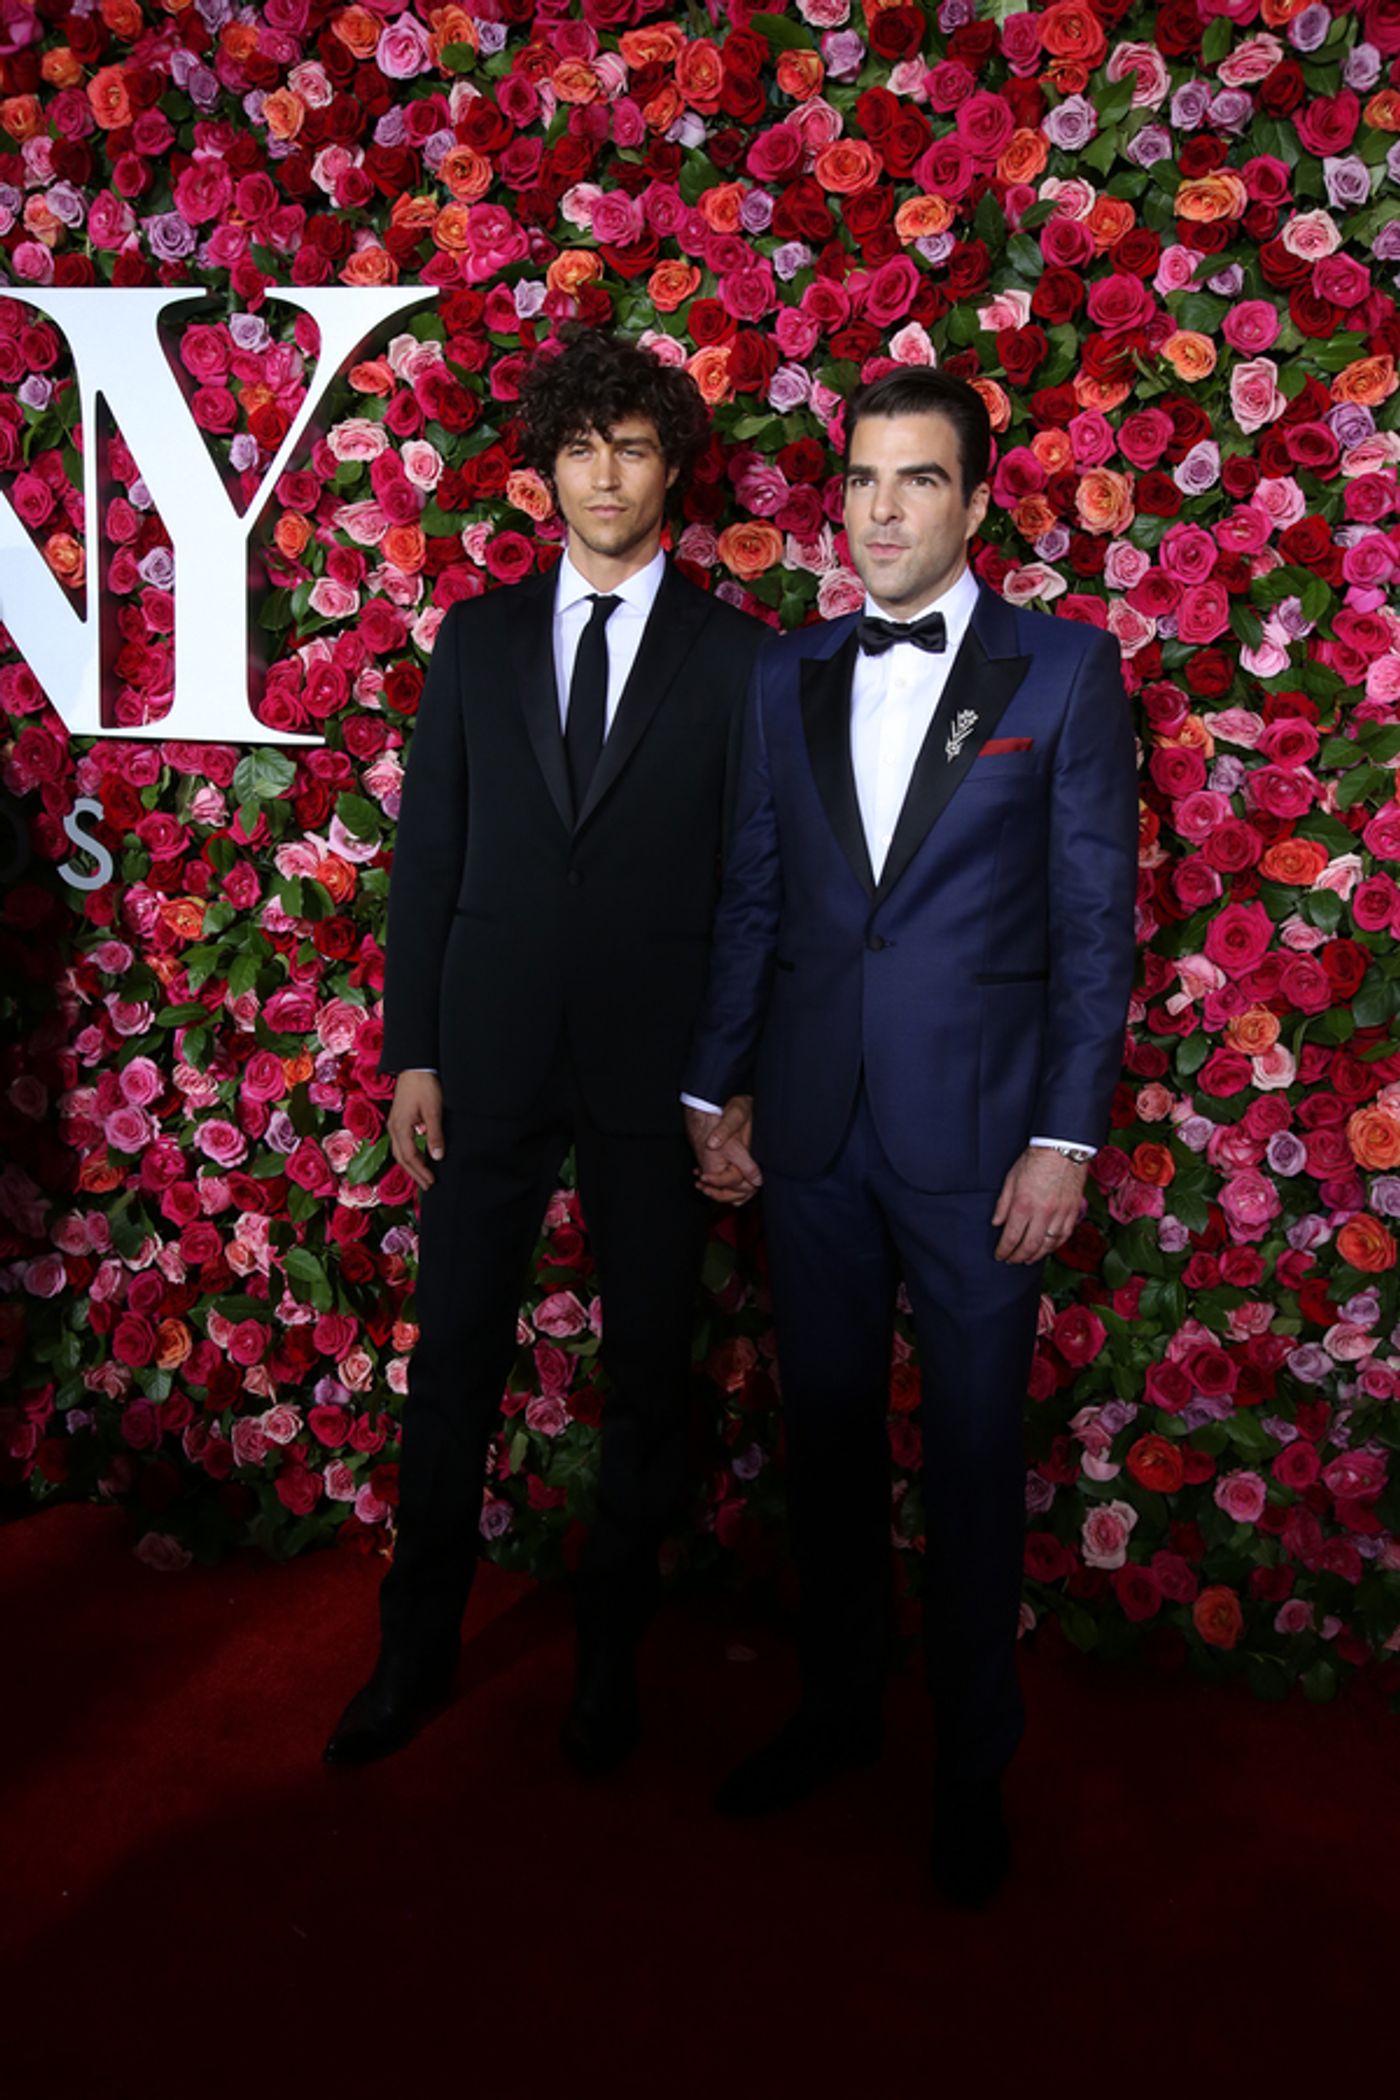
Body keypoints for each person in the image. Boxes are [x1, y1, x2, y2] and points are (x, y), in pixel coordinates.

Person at [683, 366, 1138, 1905]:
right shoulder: (785, 670)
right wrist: (713, 1087)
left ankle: (969, 1767)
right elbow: (755, 896)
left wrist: (1064, 1142)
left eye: (918, 480)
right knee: (820, 1444)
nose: (882, 508)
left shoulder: (1066, 672)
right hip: (807, 1134)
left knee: (966, 1458)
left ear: (977, 498)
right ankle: (835, 1713)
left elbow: (1092, 926)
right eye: (864, 478)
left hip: (979, 1144)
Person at [325, 332, 763, 1776]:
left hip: (653, 1076)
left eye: (632, 446)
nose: (604, 475)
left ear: (672, 469)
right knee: (453, 1362)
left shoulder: (740, 660)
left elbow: (759, 887)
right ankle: (411, 1655)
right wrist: (415, 1053)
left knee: (648, 1377)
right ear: (547, 469)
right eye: (581, 447)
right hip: (492, 1059)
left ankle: (607, 1671)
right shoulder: (479, 639)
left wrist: (729, 1075)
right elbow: (431, 852)